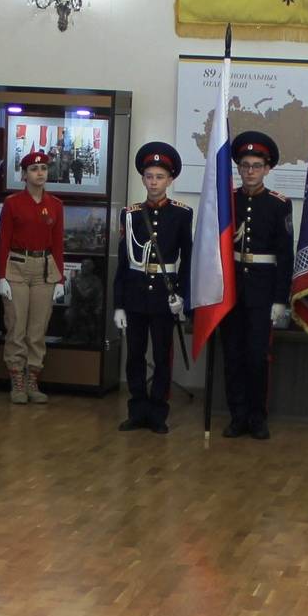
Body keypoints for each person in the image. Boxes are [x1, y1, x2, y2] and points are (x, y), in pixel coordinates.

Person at [113, 141, 191, 434]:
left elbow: (188, 258)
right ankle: (137, 410)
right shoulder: (130, 214)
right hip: (135, 294)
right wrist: (118, 304)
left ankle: (158, 411)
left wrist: (181, 294)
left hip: (163, 295)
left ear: (170, 180)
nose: (154, 182)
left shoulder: (181, 214)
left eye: (160, 177)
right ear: (143, 179)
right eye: (149, 177)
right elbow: (123, 262)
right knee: (134, 355)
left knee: (161, 356)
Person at [221, 131, 293, 439]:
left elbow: (285, 255)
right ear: (238, 168)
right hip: (232, 290)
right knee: (232, 355)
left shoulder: (279, 204)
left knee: (256, 356)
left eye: (256, 166)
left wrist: (280, 299)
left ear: (267, 169)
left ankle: (257, 416)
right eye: (245, 165)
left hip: (262, 292)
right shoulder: (228, 201)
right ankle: (237, 416)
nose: (250, 171)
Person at [0, 145, 67, 405]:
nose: (40, 173)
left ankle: (32, 378)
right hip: (16, 266)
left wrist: (60, 278)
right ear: (24, 174)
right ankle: (16, 378)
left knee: (38, 329)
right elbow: (3, 240)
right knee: (16, 326)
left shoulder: (55, 205)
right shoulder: (13, 203)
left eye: (44, 168)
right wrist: (1, 276)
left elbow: (58, 243)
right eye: (34, 169)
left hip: (44, 269)